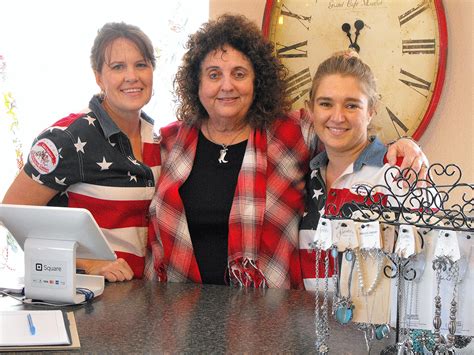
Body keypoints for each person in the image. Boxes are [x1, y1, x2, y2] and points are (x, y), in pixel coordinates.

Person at [149, 14, 427, 289]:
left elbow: (347, 137)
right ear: (196, 83)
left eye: (239, 74)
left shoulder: (293, 132)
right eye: (213, 75)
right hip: (177, 306)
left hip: (267, 314)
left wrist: (400, 146)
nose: (227, 85)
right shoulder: (170, 142)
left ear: (257, 81)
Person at [2, 22, 161, 282]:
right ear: (98, 76)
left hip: (139, 298)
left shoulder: (157, 138)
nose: (132, 76)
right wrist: (87, 262)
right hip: (88, 300)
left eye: (141, 64)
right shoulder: (67, 137)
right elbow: (12, 212)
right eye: (117, 67)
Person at [298, 50, 423, 289]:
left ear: (371, 111)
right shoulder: (305, 175)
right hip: (308, 323)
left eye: (352, 105)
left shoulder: (400, 173)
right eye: (325, 103)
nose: (337, 116)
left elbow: (428, 266)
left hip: (376, 326)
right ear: (311, 109)